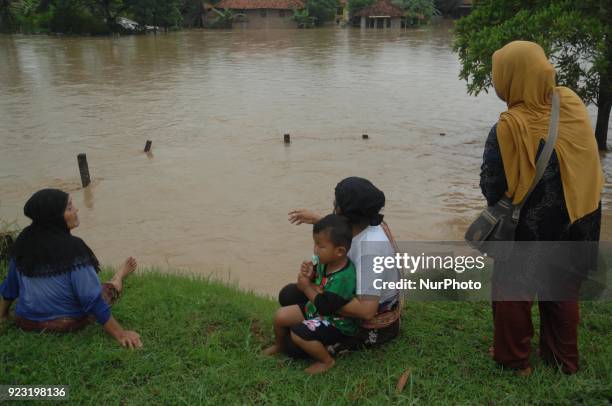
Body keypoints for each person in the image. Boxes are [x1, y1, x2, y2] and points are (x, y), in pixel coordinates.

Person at [479, 41, 603, 375]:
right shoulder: (572, 104)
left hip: (529, 230)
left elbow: (492, 186)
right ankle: (563, 360)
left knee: (512, 292)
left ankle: (515, 360)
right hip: (581, 219)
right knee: (563, 291)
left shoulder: (507, 128)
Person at [0, 189, 143, 349]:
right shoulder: (74, 248)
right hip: (66, 323)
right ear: (54, 217)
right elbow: (91, 299)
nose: (76, 209)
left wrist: (3, 314)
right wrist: (120, 334)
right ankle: (119, 276)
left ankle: (118, 276)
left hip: (25, 321)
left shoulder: (24, 240)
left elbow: (11, 285)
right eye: (69, 207)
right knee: (106, 290)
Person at [281, 177, 400, 356]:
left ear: (343, 212)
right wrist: (317, 219)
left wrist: (313, 291)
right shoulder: (366, 223)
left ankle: (332, 335)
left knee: (292, 345)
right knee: (288, 294)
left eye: (336, 203)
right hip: (344, 290)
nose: (333, 205)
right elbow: (345, 229)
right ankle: (316, 313)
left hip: (368, 318)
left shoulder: (371, 249)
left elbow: (367, 311)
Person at [263, 214, 360, 374]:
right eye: (315, 244)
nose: (315, 250)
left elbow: (326, 307)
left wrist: (307, 287)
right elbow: (313, 284)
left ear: (339, 251)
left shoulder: (344, 278)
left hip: (336, 323)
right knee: (280, 316)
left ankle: (326, 361)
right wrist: (308, 275)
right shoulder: (324, 262)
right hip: (315, 308)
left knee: (297, 334)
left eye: (320, 246)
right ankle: (279, 346)